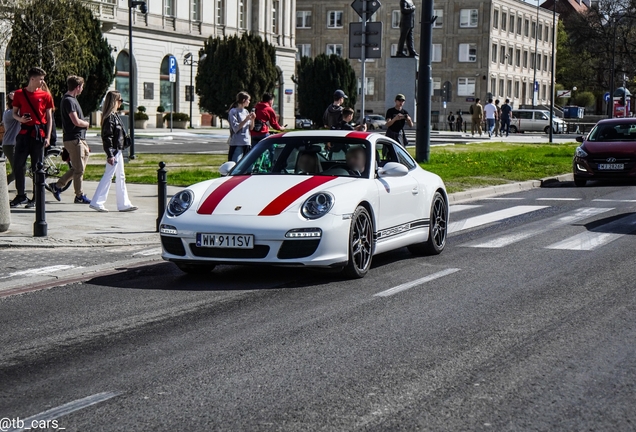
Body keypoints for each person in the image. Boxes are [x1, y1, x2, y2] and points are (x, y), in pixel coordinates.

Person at [9, 67, 54, 208]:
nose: (42, 82)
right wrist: (20, 119)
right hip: (24, 134)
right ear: (32, 79)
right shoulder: (19, 94)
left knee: (37, 167)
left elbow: (49, 117)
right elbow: (14, 113)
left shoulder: (46, 96)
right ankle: (21, 195)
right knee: (18, 165)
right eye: (41, 79)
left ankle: (36, 197)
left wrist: (47, 136)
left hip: (38, 134)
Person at [89, 90, 137, 213]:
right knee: (109, 175)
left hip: (117, 150)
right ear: (114, 101)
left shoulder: (114, 116)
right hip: (114, 151)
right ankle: (97, 202)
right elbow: (107, 137)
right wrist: (110, 154)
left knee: (120, 176)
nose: (121, 103)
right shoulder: (110, 117)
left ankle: (123, 204)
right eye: (119, 100)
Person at [47, 76, 91, 203]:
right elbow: (75, 121)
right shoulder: (69, 101)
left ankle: (57, 186)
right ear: (77, 87)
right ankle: (79, 196)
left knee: (78, 168)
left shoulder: (72, 100)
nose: (82, 89)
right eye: (82, 87)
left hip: (79, 139)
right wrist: (86, 124)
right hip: (74, 139)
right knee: (79, 169)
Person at [228, 91, 255, 162]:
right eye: (248, 100)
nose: (249, 102)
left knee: (247, 165)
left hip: (247, 141)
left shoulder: (246, 111)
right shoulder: (233, 111)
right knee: (235, 164)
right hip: (237, 142)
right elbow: (235, 128)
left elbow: (251, 128)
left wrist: (252, 119)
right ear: (243, 100)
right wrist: (246, 120)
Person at [2, 92, 20, 186]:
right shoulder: (10, 113)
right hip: (10, 145)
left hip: (11, 144)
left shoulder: (9, 112)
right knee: (17, 171)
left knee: (20, 169)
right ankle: (2, 186)